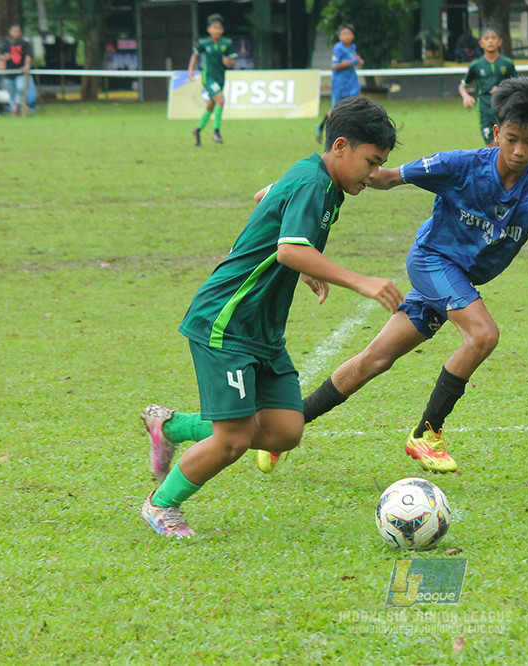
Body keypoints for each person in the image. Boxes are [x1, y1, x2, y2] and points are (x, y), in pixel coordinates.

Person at [140, 77, 528, 478]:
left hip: (456, 281)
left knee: (372, 361)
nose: (520, 151)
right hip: (432, 263)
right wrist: (285, 189)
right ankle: (427, 433)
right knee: (483, 334)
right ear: (495, 133)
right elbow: (382, 175)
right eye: (511, 139)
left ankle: (223, 431)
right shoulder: (461, 165)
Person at [138, 96, 402, 538]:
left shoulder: (319, 179)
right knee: (234, 439)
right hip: (228, 322)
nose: (374, 174)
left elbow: (267, 198)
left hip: (262, 329)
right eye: (370, 162)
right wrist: (357, 279)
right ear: (340, 146)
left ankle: (170, 425)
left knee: (285, 429)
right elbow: (288, 246)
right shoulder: (314, 184)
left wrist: (302, 264)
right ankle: (160, 504)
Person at [459, 25, 517, 147]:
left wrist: (503, 89)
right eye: (486, 38)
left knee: (503, 146)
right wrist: (466, 97)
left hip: (504, 110)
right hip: (485, 110)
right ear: (481, 43)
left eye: (493, 38)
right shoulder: (476, 65)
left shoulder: (507, 63)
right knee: (492, 147)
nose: (490, 41)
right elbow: (463, 85)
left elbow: (517, 86)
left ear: (499, 42)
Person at [188, 14, 236, 146]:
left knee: (211, 104)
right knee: (220, 99)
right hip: (208, 76)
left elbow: (232, 62)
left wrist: (229, 62)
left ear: (222, 30)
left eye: (219, 28)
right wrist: (190, 70)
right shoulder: (205, 43)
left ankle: (197, 130)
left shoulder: (226, 44)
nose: (217, 31)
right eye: (214, 28)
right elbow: (195, 55)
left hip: (220, 77)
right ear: (209, 29)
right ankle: (216, 132)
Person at [315, 24, 363, 145]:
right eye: (343, 34)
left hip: (352, 81)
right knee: (336, 109)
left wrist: (359, 62)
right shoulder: (338, 48)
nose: (346, 36)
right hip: (340, 83)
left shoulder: (353, 47)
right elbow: (335, 66)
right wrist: (352, 61)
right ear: (340, 36)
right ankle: (321, 128)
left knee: (356, 105)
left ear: (353, 36)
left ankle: (354, 134)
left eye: (348, 34)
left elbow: (356, 62)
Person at [0, 25, 33, 116]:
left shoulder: (25, 45)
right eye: (13, 31)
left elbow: (28, 56)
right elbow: (1, 58)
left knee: (20, 89)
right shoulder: (6, 45)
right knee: (11, 93)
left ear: (20, 33)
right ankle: (15, 109)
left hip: (20, 72)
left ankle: (17, 107)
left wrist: (26, 66)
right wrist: (4, 59)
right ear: (10, 32)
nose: (15, 33)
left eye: (17, 31)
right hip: (9, 74)